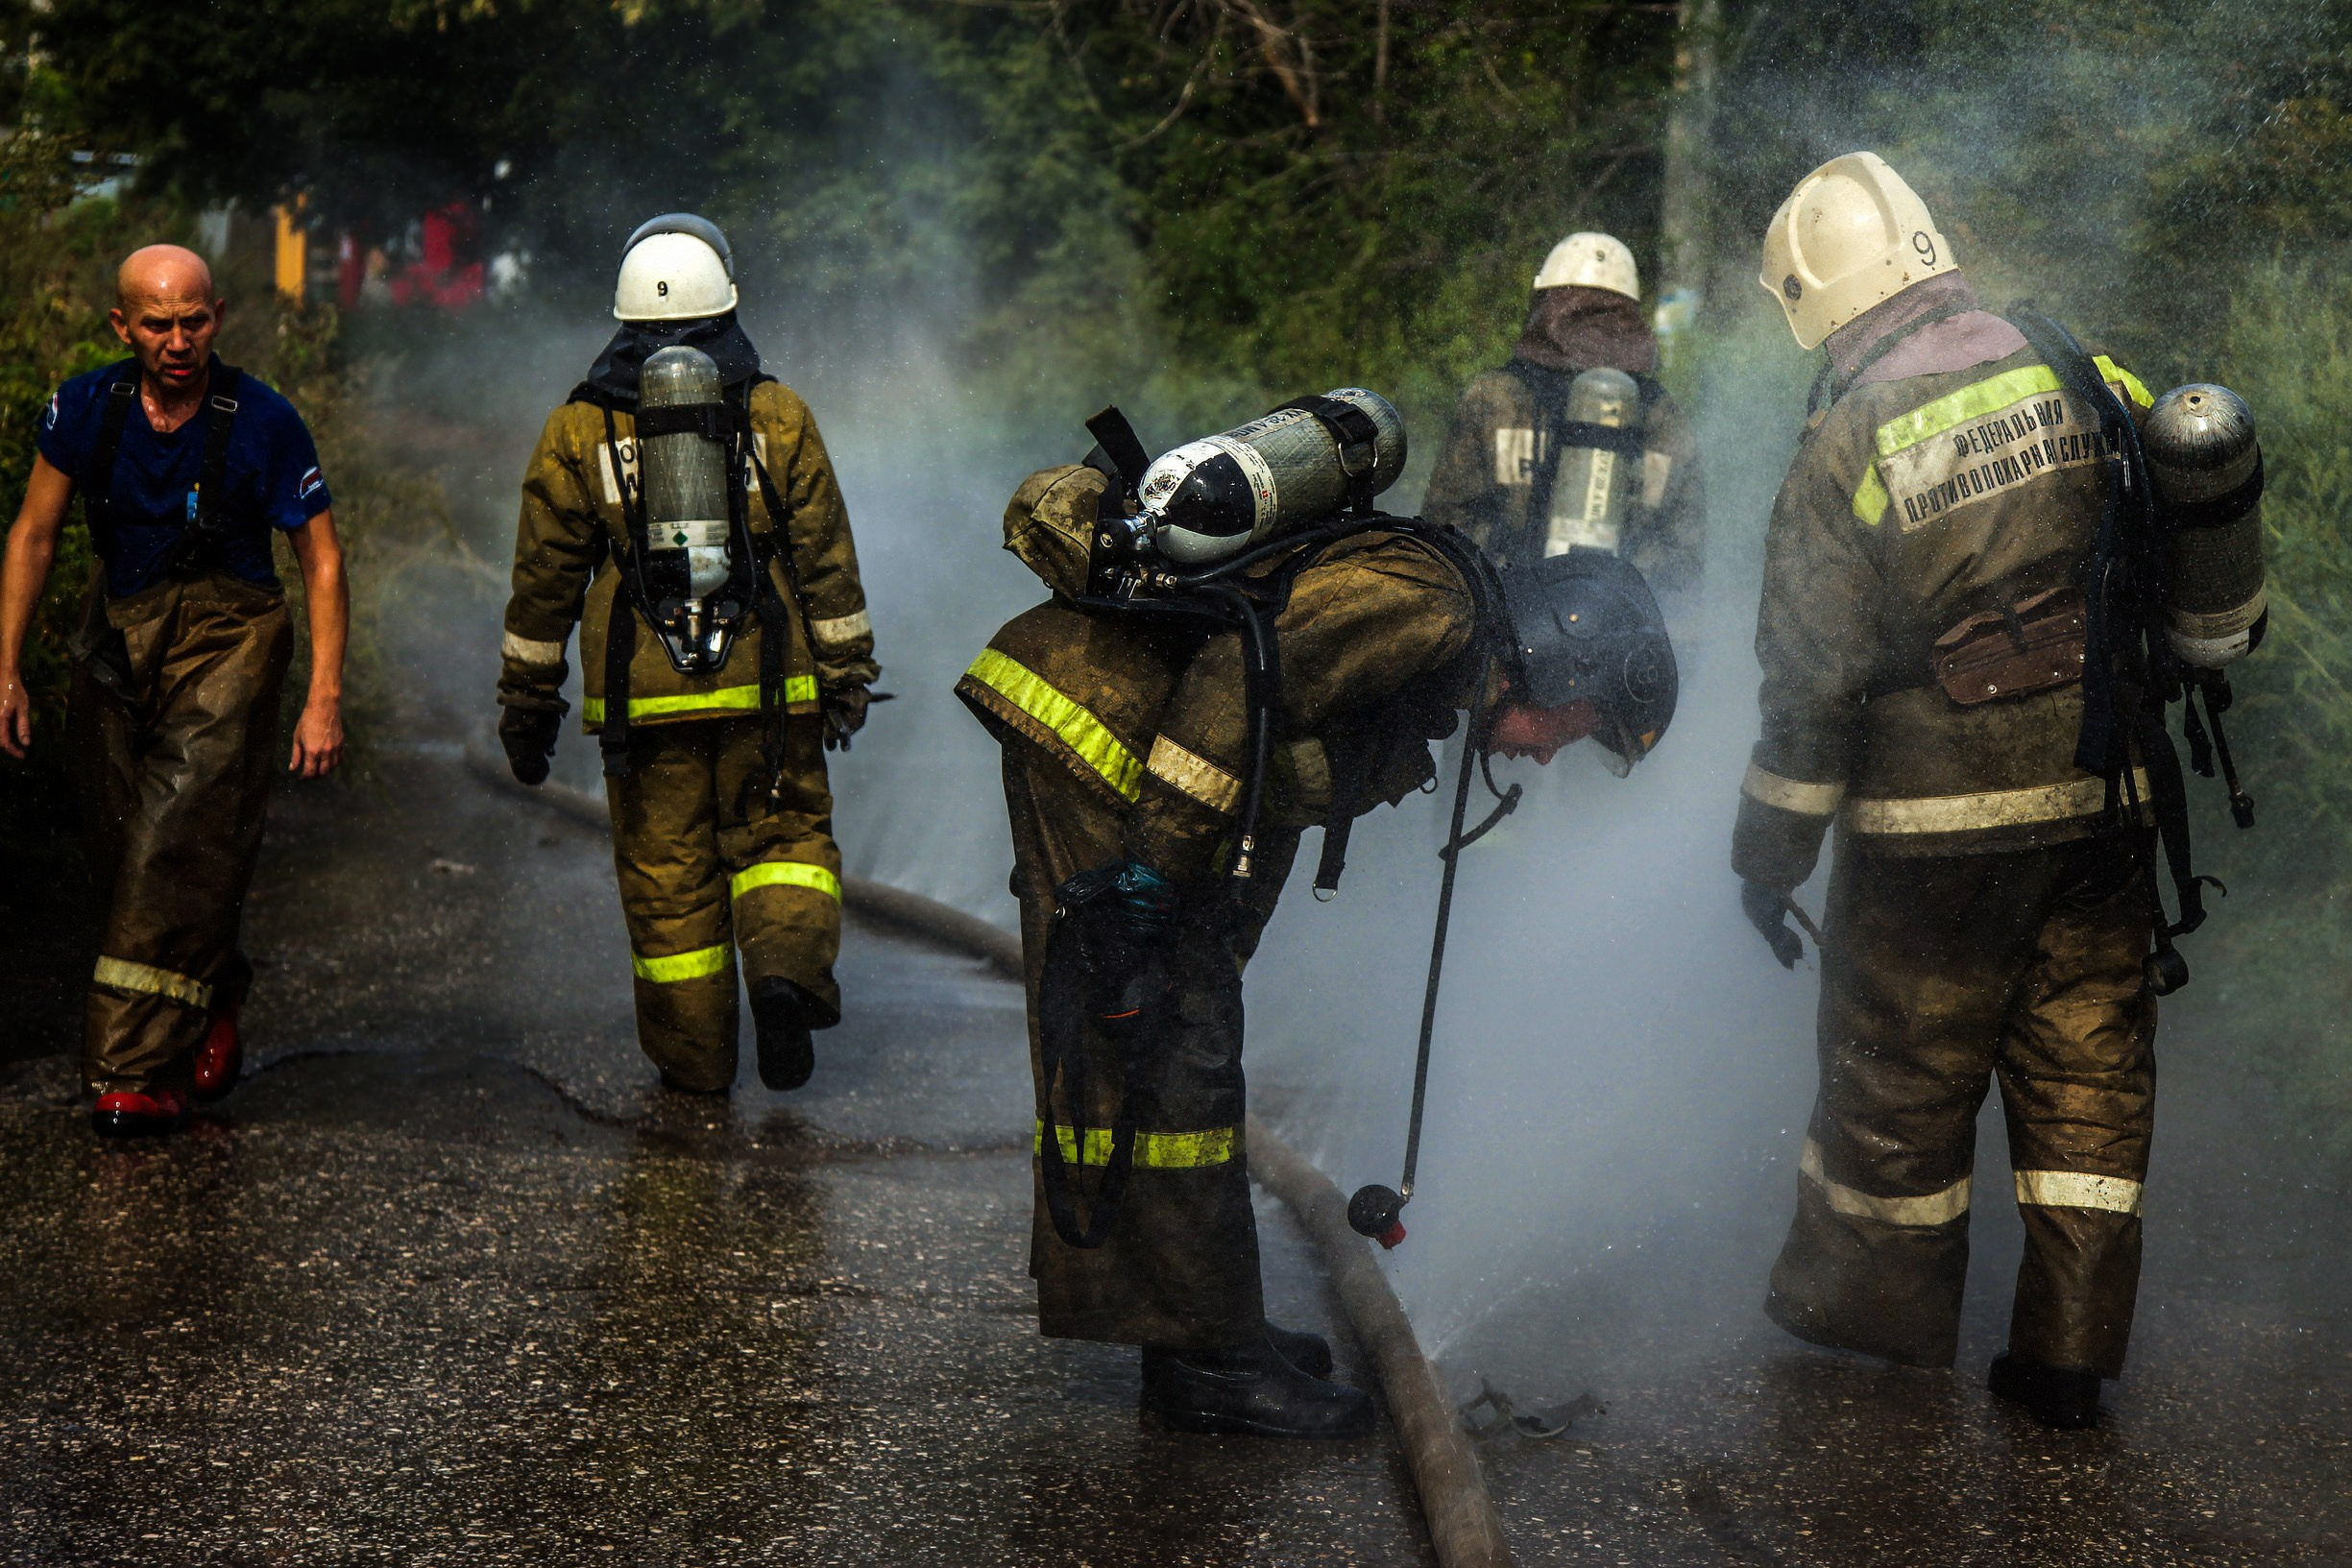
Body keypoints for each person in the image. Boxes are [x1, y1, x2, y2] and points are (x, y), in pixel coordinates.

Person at [958, 397, 1674, 1438]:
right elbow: (1235, 689)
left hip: (1132, 762)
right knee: (1164, 1044)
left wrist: (1210, 933)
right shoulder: (1431, 613)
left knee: (1186, 1023)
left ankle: (1205, 1331)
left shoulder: (1443, 652)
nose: (1554, 752)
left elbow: (1276, 782)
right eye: (1581, 726)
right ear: (1564, 658)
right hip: (1100, 739)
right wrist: (1152, 891)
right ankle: (1205, 1364)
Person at [1733, 152, 2216, 1430]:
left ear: (1819, 307)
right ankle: (2065, 1355)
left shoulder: (1847, 436)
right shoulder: (2080, 366)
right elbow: (2173, 546)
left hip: (1927, 833)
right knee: (2087, 1069)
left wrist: (1765, 856)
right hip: (2104, 800)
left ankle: (1880, 1338)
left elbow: (1809, 683)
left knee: (1897, 1070)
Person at [495, 214, 877, 1096]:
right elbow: (824, 558)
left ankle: (697, 1064)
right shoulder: (776, 414)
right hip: (769, 687)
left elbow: (544, 582)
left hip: (644, 696)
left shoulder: (578, 427)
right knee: (783, 837)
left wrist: (528, 704)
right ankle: (782, 977)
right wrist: (847, 673)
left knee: (669, 878)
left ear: (625, 315)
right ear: (726, 302)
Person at [0, 244, 347, 1137]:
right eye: (158, 322)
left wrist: (324, 696)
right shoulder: (83, 406)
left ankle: (127, 1072)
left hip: (231, 637)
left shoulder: (264, 419)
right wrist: (5, 669)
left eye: (194, 319)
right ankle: (214, 988)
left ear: (217, 316)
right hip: (115, 632)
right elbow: (34, 536)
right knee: (118, 847)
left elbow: (322, 559)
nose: (178, 339)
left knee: (172, 842)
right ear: (123, 325)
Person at [1420, 230, 1706, 601]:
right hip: (1618, 630)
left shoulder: (1494, 396)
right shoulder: (1662, 414)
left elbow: (1442, 530)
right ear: (1629, 316)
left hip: (1508, 623)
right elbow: (1685, 557)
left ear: (1546, 303)